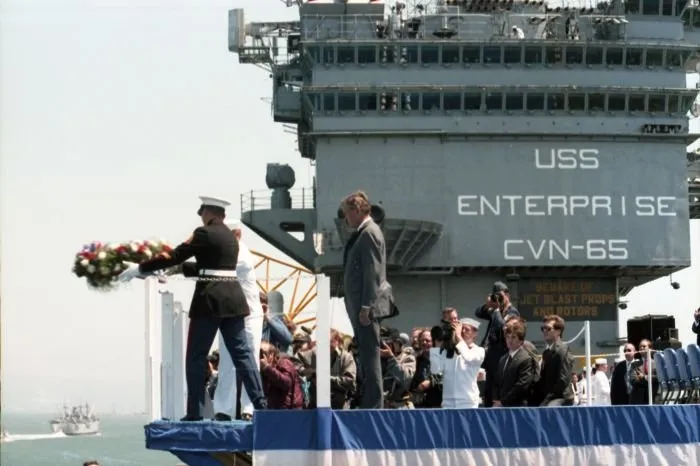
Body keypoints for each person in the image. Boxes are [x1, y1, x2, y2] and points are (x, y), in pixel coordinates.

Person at [118, 196, 267, 420]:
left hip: (209, 300)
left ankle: (195, 412)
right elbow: (210, 265)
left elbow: (174, 255)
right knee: (243, 357)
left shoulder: (203, 233)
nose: (201, 216)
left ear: (208, 213)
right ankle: (261, 405)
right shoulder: (231, 239)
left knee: (196, 357)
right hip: (234, 302)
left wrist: (141, 268)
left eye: (202, 213)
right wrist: (172, 270)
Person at [340, 191, 391, 409]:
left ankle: (374, 404)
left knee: (371, 357)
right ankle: (370, 401)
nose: (345, 219)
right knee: (367, 355)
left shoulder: (369, 233)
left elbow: (373, 272)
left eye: (347, 214)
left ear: (357, 210)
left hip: (366, 308)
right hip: (361, 306)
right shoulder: (366, 232)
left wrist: (365, 306)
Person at [212, 219, 265, 421]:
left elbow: (220, 268)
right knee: (226, 362)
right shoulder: (225, 252)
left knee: (250, 362)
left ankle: (249, 409)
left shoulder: (242, 253)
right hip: (230, 315)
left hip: (250, 316)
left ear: (237, 235)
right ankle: (223, 410)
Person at [433, 318, 485, 409]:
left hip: (467, 402)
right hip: (448, 402)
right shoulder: (448, 351)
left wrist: (458, 336)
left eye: (467, 329)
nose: (463, 331)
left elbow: (469, 358)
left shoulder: (478, 350)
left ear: (475, 333)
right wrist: (443, 341)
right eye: (462, 329)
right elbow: (436, 369)